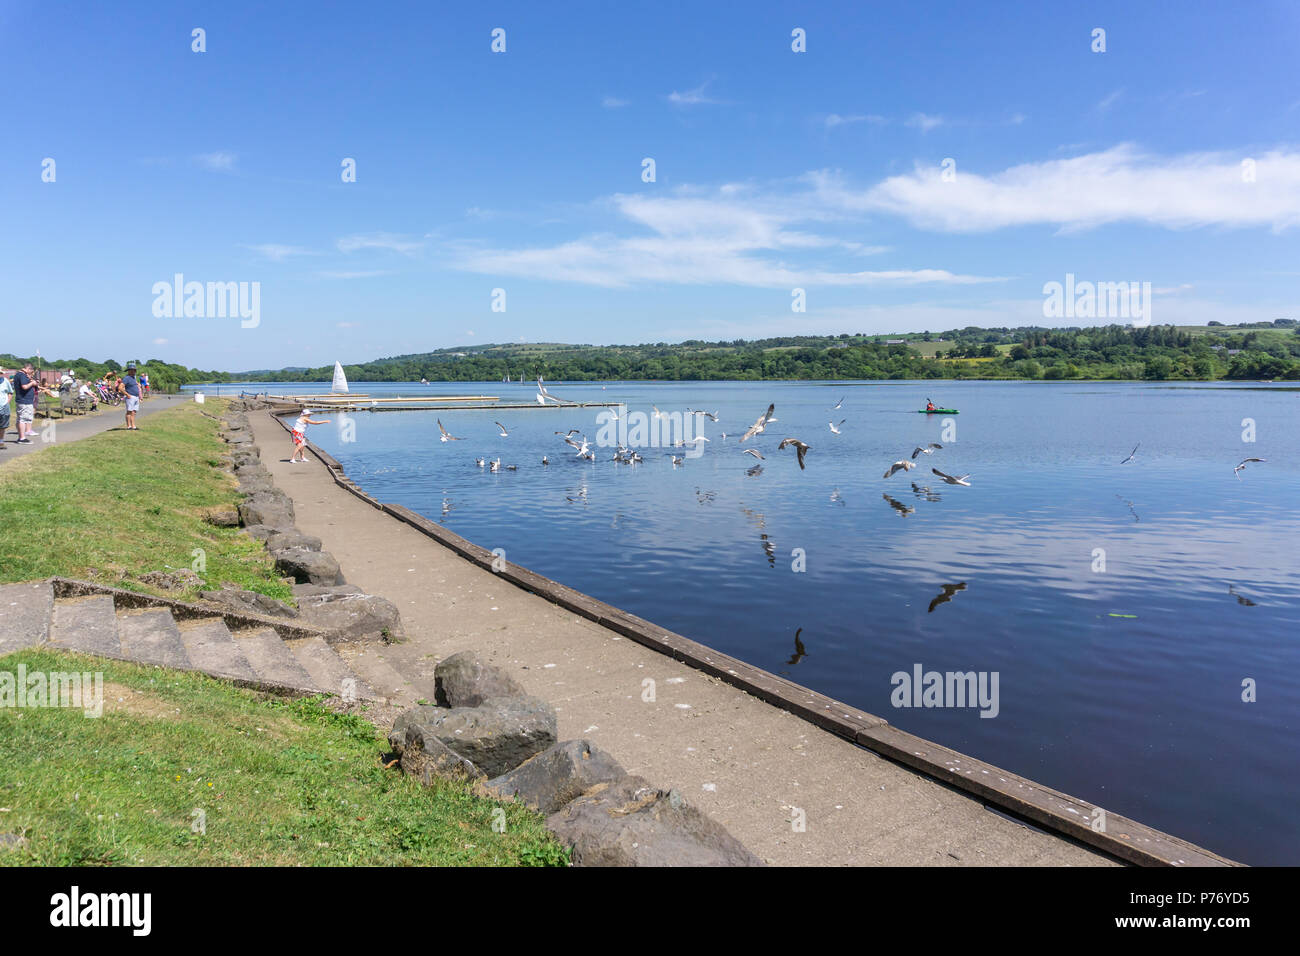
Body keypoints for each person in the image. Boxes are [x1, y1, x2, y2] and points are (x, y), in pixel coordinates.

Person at [12, 362, 42, 443]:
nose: (32, 373)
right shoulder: (22, 375)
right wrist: (32, 383)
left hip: (21, 400)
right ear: (28, 369)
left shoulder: (18, 374)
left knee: (20, 419)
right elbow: (24, 386)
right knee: (23, 419)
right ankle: (22, 438)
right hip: (24, 401)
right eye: (31, 371)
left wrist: (32, 381)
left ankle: (21, 436)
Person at [0, 369, 12, 447]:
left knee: (3, 426)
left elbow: (10, 392)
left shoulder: (5, 381)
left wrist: (7, 402)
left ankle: (1, 441)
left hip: (4, 406)